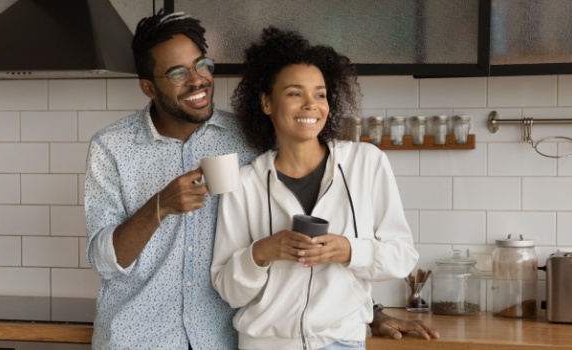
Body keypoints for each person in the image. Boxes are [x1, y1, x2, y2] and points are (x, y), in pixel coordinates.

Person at [85, 10, 437, 350]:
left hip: (218, 339)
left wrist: (369, 311)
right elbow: (105, 260)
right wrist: (159, 207)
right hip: (138, 337)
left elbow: (323, 213)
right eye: (177, 73)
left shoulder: (246, 138)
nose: (197, 80)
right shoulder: (112, 147)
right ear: (148, 87)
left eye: (202, 65)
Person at [210, 27, 435, 350]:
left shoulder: (366, 163)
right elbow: (229, 290)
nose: (311, 104)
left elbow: (402, 256)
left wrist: (349, 250)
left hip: (341, 341)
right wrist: (262, 253)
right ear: (266, 102)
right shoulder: (245, 183)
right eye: (294, 93)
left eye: (320, 94)